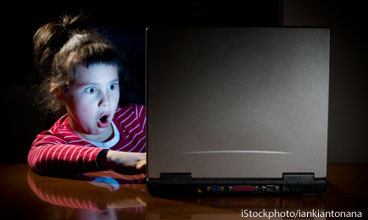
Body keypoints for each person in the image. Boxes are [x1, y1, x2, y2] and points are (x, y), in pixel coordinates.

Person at [27, 14, 146, 175]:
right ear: (60, 93)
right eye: (91, 89)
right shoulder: (60, 141)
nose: (106, 101)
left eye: (112, 86)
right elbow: (38, 156)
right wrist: (111, 158)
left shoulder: (137, 118)